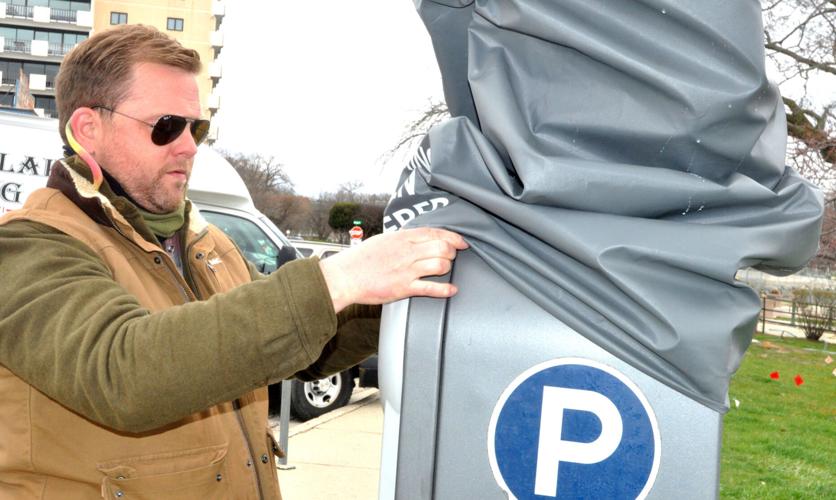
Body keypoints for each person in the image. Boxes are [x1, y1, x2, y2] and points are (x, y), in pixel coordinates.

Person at [0, 25, 467, 499]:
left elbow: (294, 352)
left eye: (196, 127)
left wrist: (398, 290)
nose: (188, 146)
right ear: (87, 129)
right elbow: (124, 373)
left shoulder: (208, 244)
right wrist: (342, 277)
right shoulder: (28, 246)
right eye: (166, 127)